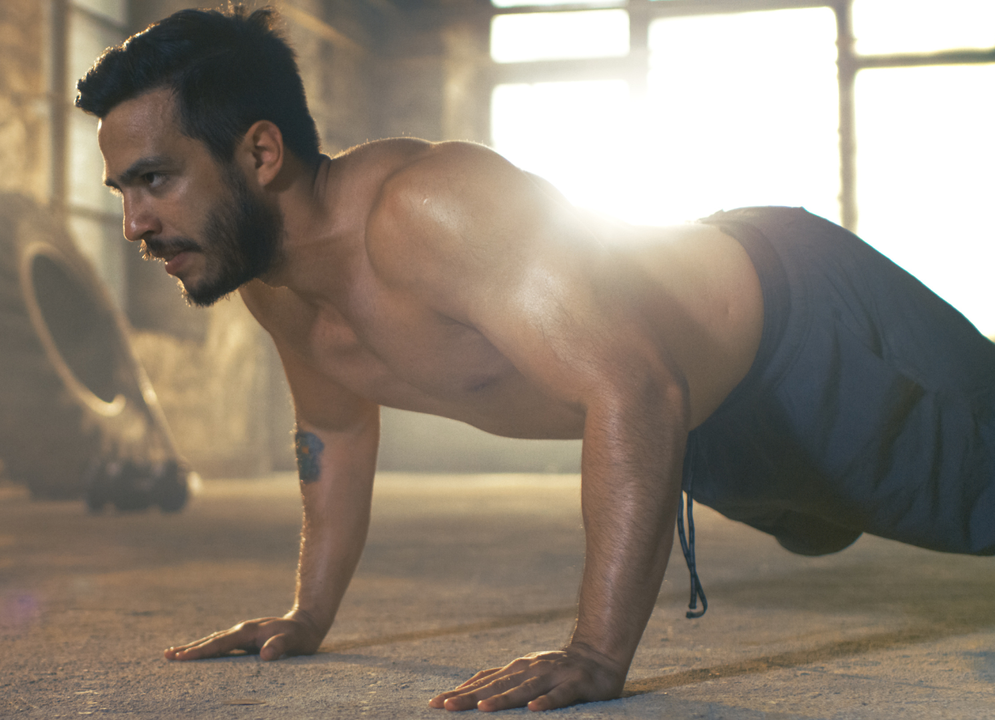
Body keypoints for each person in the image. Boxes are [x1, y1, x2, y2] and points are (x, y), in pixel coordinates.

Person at [75, 5, 995, 713]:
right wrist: (307, 618)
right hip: (706, 440)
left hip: (797, 324)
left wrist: (595, 654)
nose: (135, 224)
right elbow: (335, 428)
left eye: (156, 179)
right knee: (834, 516)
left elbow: (633, 388)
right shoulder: (273, 283)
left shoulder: (428, 208)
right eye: (123, 191)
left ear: (261, 151)